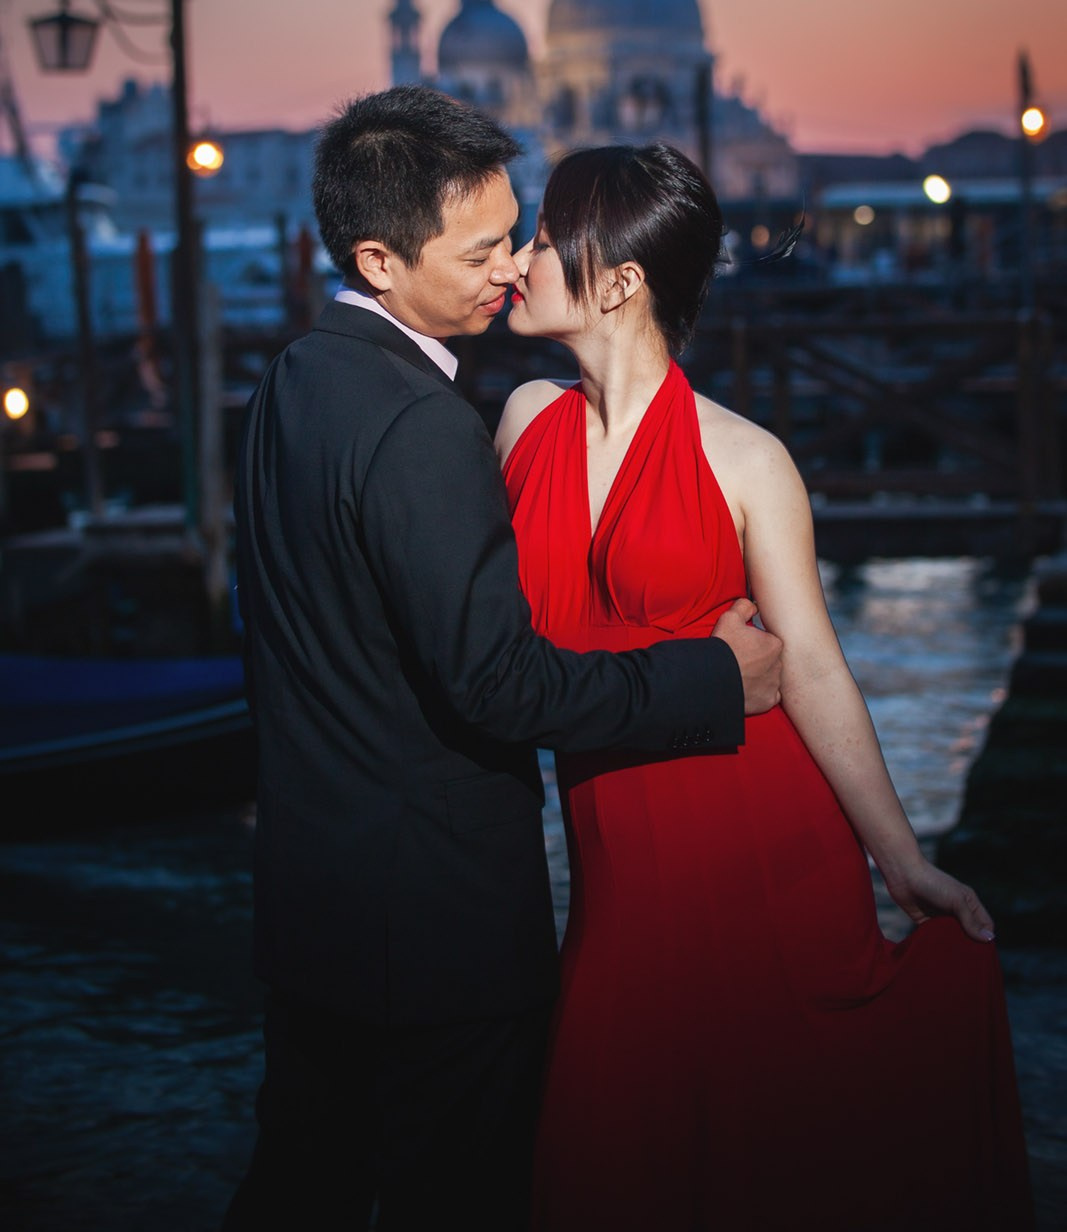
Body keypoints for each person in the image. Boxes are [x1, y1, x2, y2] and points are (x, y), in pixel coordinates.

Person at [222, 89, 783, 1232]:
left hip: (310, 906)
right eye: (483, 250)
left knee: (298, 1194)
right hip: (436, 932)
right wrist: (708, 678)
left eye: (515, 232)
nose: (514, 266)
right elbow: (499, 682)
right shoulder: (422, 424)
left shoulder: (291, 381)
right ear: (378, 257)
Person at [498, 141, 1034, 1232]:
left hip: (756, 841)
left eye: (544, 241)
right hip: (612, 877)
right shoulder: (517, 425)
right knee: (608, 1157)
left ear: (618, 280)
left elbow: (817, 667)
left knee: (765, 1156)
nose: (517, 259)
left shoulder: (745, 461)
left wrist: (901, 858)